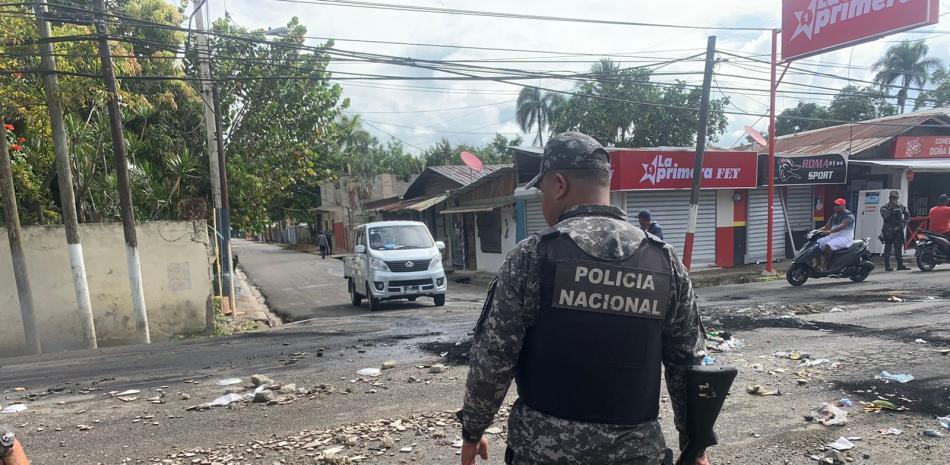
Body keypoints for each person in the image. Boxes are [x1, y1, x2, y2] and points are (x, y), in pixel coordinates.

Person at [458, 132, 707, 465]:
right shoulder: (665, 262)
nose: (542, 199)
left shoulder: (531, 257)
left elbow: (493, 359)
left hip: (542, 455)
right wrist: (696, 447)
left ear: (559, 184)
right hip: (636, 455)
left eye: (542, 189)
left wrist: (473, 431)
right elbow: (689, 365)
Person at [816, 198, 855, 270]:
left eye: (838, 205)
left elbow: (842, 226)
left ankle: (825, 265)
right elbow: (826, 227)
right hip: (833, 237)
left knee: (829, 245)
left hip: (845, 238)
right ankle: (818, 264)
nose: (835, 207)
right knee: (817, 244)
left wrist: (829, 231)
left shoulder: (848, 215)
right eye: (834, 205)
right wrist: (816, 231)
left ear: (843, 206)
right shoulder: (834, 215)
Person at [879, 191, 910, 271]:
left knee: (898, 248)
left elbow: (907, 215)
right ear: (889, 198)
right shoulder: (884, 207)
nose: (893, 200)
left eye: (895, 198)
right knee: (887, 248)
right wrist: (891, 208)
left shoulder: (901, 206)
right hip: (888, 230)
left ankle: (900, 265)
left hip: (898, 230)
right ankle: (887, 266)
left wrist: (904, 223)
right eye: (892, 198)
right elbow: (885, 217)